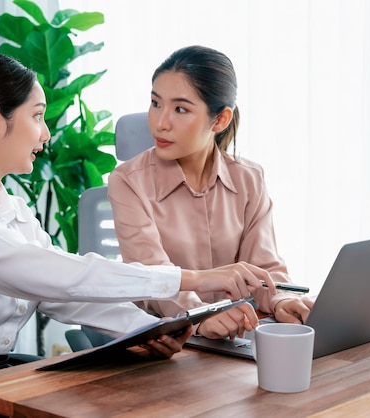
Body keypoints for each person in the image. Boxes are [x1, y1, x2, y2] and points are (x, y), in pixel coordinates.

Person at [0, 53, 274, 418]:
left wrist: (147, 331)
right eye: (37, 116)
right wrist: (194, 278)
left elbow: (65, 295)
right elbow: (52, 273)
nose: (45, 134)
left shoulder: (13, 211)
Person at [108, 45, 313, 341]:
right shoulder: (128, 181)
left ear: (220, 120)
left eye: (180, 109)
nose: (160, 122)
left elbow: (265, 267)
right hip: (164, 342)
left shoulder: (249, 178)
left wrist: (281, 299)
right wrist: (203, 316)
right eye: (155, 103)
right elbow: (154, 276)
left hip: (235, 337)